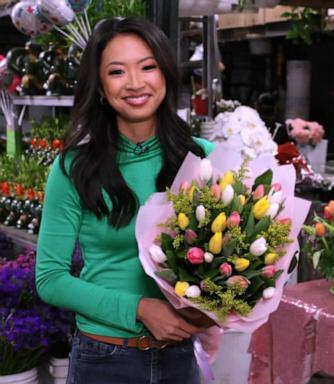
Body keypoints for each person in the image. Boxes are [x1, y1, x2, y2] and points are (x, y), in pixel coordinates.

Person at [36, 16, 216, 384]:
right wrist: (140, 308)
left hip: (180, 358)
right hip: (104, 358)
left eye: (148, 67)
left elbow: (229, 257)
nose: (135, 83)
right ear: (101, 88)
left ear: (165, 74)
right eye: (117, 72)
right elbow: (50, 278)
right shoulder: (74, 168)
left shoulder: (202, 159)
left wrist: (211, 308)